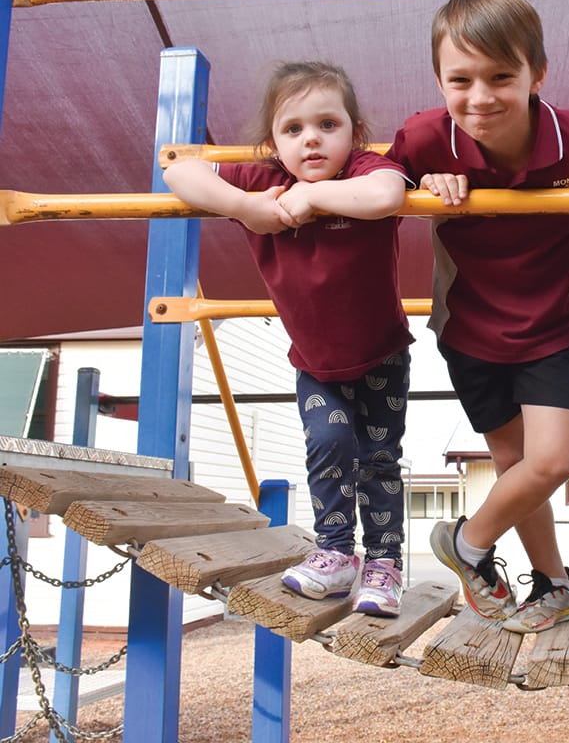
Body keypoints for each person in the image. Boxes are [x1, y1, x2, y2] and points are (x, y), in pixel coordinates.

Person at [388, 0, 569, 633]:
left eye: (500, 77)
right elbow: (382, 180)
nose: (479, 97)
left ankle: (467, 543)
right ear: (438, 81)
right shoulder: (427, 138)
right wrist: (421, 183)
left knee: (553, 461)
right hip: (469, 328)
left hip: (552, 326)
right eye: (461, 80)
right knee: (518, 468)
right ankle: (555, 584)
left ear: (538, 74)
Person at [164, 61, 414, 617]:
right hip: (316, 362)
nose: (312, 139)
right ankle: (335, 552)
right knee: (328, 446)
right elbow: (180, 172)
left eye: (328, 124)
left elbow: (385, 196)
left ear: (354, 133)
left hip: (381, 355)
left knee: (377, 457)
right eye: (293, 129)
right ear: (273, 143)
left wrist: (316, 198)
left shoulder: (366, 171)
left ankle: (385, 563)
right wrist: (247, 208)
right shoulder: (264, 184)